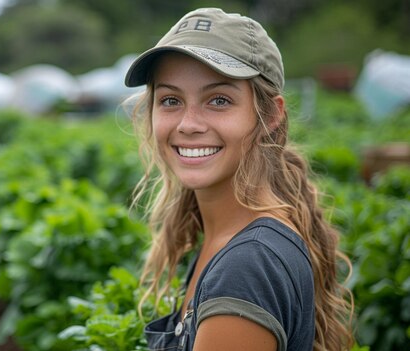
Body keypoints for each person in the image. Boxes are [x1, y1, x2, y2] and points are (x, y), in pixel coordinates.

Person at [124, 8, 354, 351]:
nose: (188, 123)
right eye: (171, 100)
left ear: (270, 115)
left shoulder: (247, 265)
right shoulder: (227, 240)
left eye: (219, 100)